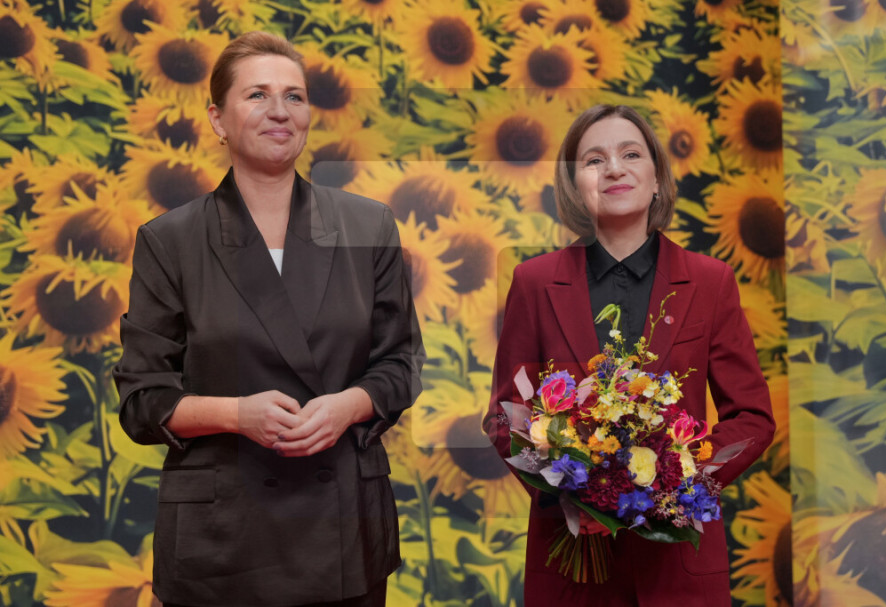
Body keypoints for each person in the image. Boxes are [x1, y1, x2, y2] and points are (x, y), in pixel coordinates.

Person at [114, 31, 424, 607]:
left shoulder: (369, 226)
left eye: (294, 96)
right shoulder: (169, 240)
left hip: (342, 530)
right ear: (218, 119)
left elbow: (400, 364)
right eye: (257, 95)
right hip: (221, 539)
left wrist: (347, 406)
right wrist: (238, 415)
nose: (279, 111)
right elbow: (142, 399)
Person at [483, 104, 775, 606]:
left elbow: (752, 417)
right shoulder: (534, 282)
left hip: (678, 569)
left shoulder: (710, 282)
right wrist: (573, 492)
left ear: (657, 178)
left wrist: (673, 480)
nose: (614, 168)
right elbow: (503, 417)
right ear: (575, 185)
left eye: (631, 154)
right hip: (571, 567)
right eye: (594, 160)